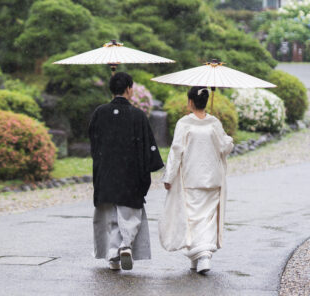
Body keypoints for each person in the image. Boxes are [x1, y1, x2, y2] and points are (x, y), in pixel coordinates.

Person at [89, 72, 164, 271]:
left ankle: (113, 253)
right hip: (130, 173)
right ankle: (125, 245)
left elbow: (94, 143)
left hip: (106, 172)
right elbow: (148, 146)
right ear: (129, 89)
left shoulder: (99, 113)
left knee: (110, 214)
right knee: (129, 214)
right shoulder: (138, 116)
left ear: (111, 89)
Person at [159, 86, 234, 274]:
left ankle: (203, 256)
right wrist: (228, 140)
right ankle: (198, 257)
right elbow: (225, 146)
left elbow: (176, 152)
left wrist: (169, 176)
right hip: (212, 177)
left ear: (190, 101)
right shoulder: (214, 123)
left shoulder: (184, 123)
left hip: (191, 178)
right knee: (207, 218)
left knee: (192, 219)